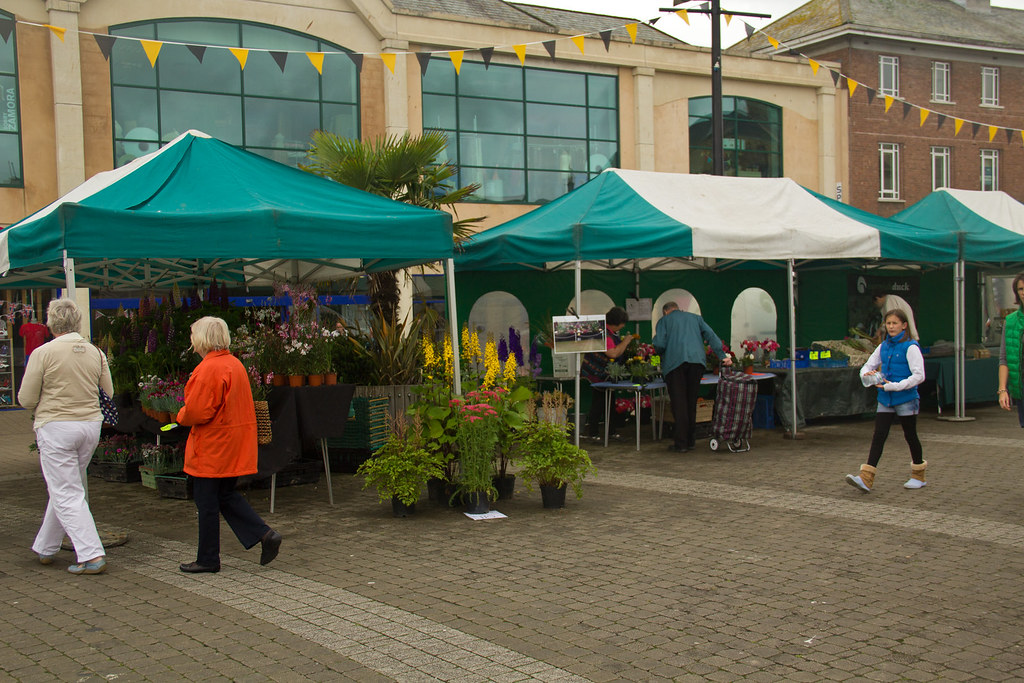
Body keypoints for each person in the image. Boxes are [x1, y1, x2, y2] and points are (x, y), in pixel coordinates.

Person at [176, 316, 282, 574]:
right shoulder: (234, 364)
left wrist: (180, 415)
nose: (191, 341)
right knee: (225, 495)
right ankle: (264, 534)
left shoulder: (208, 369)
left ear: (201, 339)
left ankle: (208, 558)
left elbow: (197, 412)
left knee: (207, 502)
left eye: (193, 336)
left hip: (213, 446)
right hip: (234, 442)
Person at [18, 298, 111, 575]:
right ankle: (46, 547)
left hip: (56, 426)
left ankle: (92, 554)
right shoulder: (96, 352)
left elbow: (25, 398)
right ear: (78, 321)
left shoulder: (43, 353)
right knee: (68, 486)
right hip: (90, 425)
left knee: (66, 491)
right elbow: (108, 392)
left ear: (50, 322)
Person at [845, 309, 926, 492]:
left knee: (910, 435)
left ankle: (918, 474)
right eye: (888, 323)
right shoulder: (883, 346)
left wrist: (895, 386)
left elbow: (919, 375)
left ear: (904, 325)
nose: (891, 327)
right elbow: (867, 365)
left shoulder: (911, 347)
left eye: (895, 323)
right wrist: (867, 374)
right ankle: (866, 478)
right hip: (885, 398)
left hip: (905, 397)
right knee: (879, 435)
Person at [653, 301, 731, 453]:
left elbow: (660, 344)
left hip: (675, 364)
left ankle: (681, 443)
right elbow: (711, 336)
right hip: (697, 363)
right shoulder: (696, 318)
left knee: (679, 402)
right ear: (678, 309)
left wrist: (659, 352)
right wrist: (722, 356)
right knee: (691, 401)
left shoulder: (664, 321)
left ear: (665, 312)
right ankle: (691, 440)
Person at [580, 306, 634, 441]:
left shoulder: (608, 331)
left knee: (609, 401)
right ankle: (593, 432)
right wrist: (626, 342)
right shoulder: (604, 333)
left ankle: (610, 430)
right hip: (596, 372)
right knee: (599, 402)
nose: (622, 327)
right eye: (621, 324)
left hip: (605, 373)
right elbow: (613, 353)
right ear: (616, 323)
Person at [997, 273, 1024, 428]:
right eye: (1020, 289)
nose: (1023, 292)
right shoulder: (1011, 321)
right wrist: (1002, 390)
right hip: (1021, 388)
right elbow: (1004, 358)